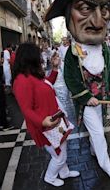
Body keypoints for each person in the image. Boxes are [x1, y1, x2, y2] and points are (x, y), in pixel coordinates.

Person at [44, 0, 110, 179]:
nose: (97, 22)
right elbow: (71, 80)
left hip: (101, 99)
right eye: (86, 8)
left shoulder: (104, 48)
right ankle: (106, 164)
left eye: (103, 9)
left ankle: (96, 152)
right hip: (86, 101)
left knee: (100, 126)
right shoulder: (71, 53)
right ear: (69, 19)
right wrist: (87, 97)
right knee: (97, 132)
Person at [13, 43, 79, 187]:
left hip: (53, 121)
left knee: (61, 149)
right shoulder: (22, 80)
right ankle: (50, 177)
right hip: (45, 126)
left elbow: (47, 84)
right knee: (59, 156)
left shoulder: (32, 75)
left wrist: (55, 68)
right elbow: (26, 109)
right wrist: (42, 122)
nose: (41, 58)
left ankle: (64, 173)